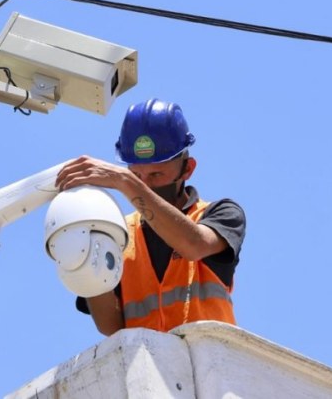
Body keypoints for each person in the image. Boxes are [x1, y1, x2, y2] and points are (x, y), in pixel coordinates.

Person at [55, 98, 246, 335]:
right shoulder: (118, 233)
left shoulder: (220, 214)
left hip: (210, 363)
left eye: (156, 174)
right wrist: (85, 255)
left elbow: (194, 245)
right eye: (136, 174)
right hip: (147, 369)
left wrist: (125, 181)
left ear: (187, 169)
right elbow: (112, 328)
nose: (144, 184)